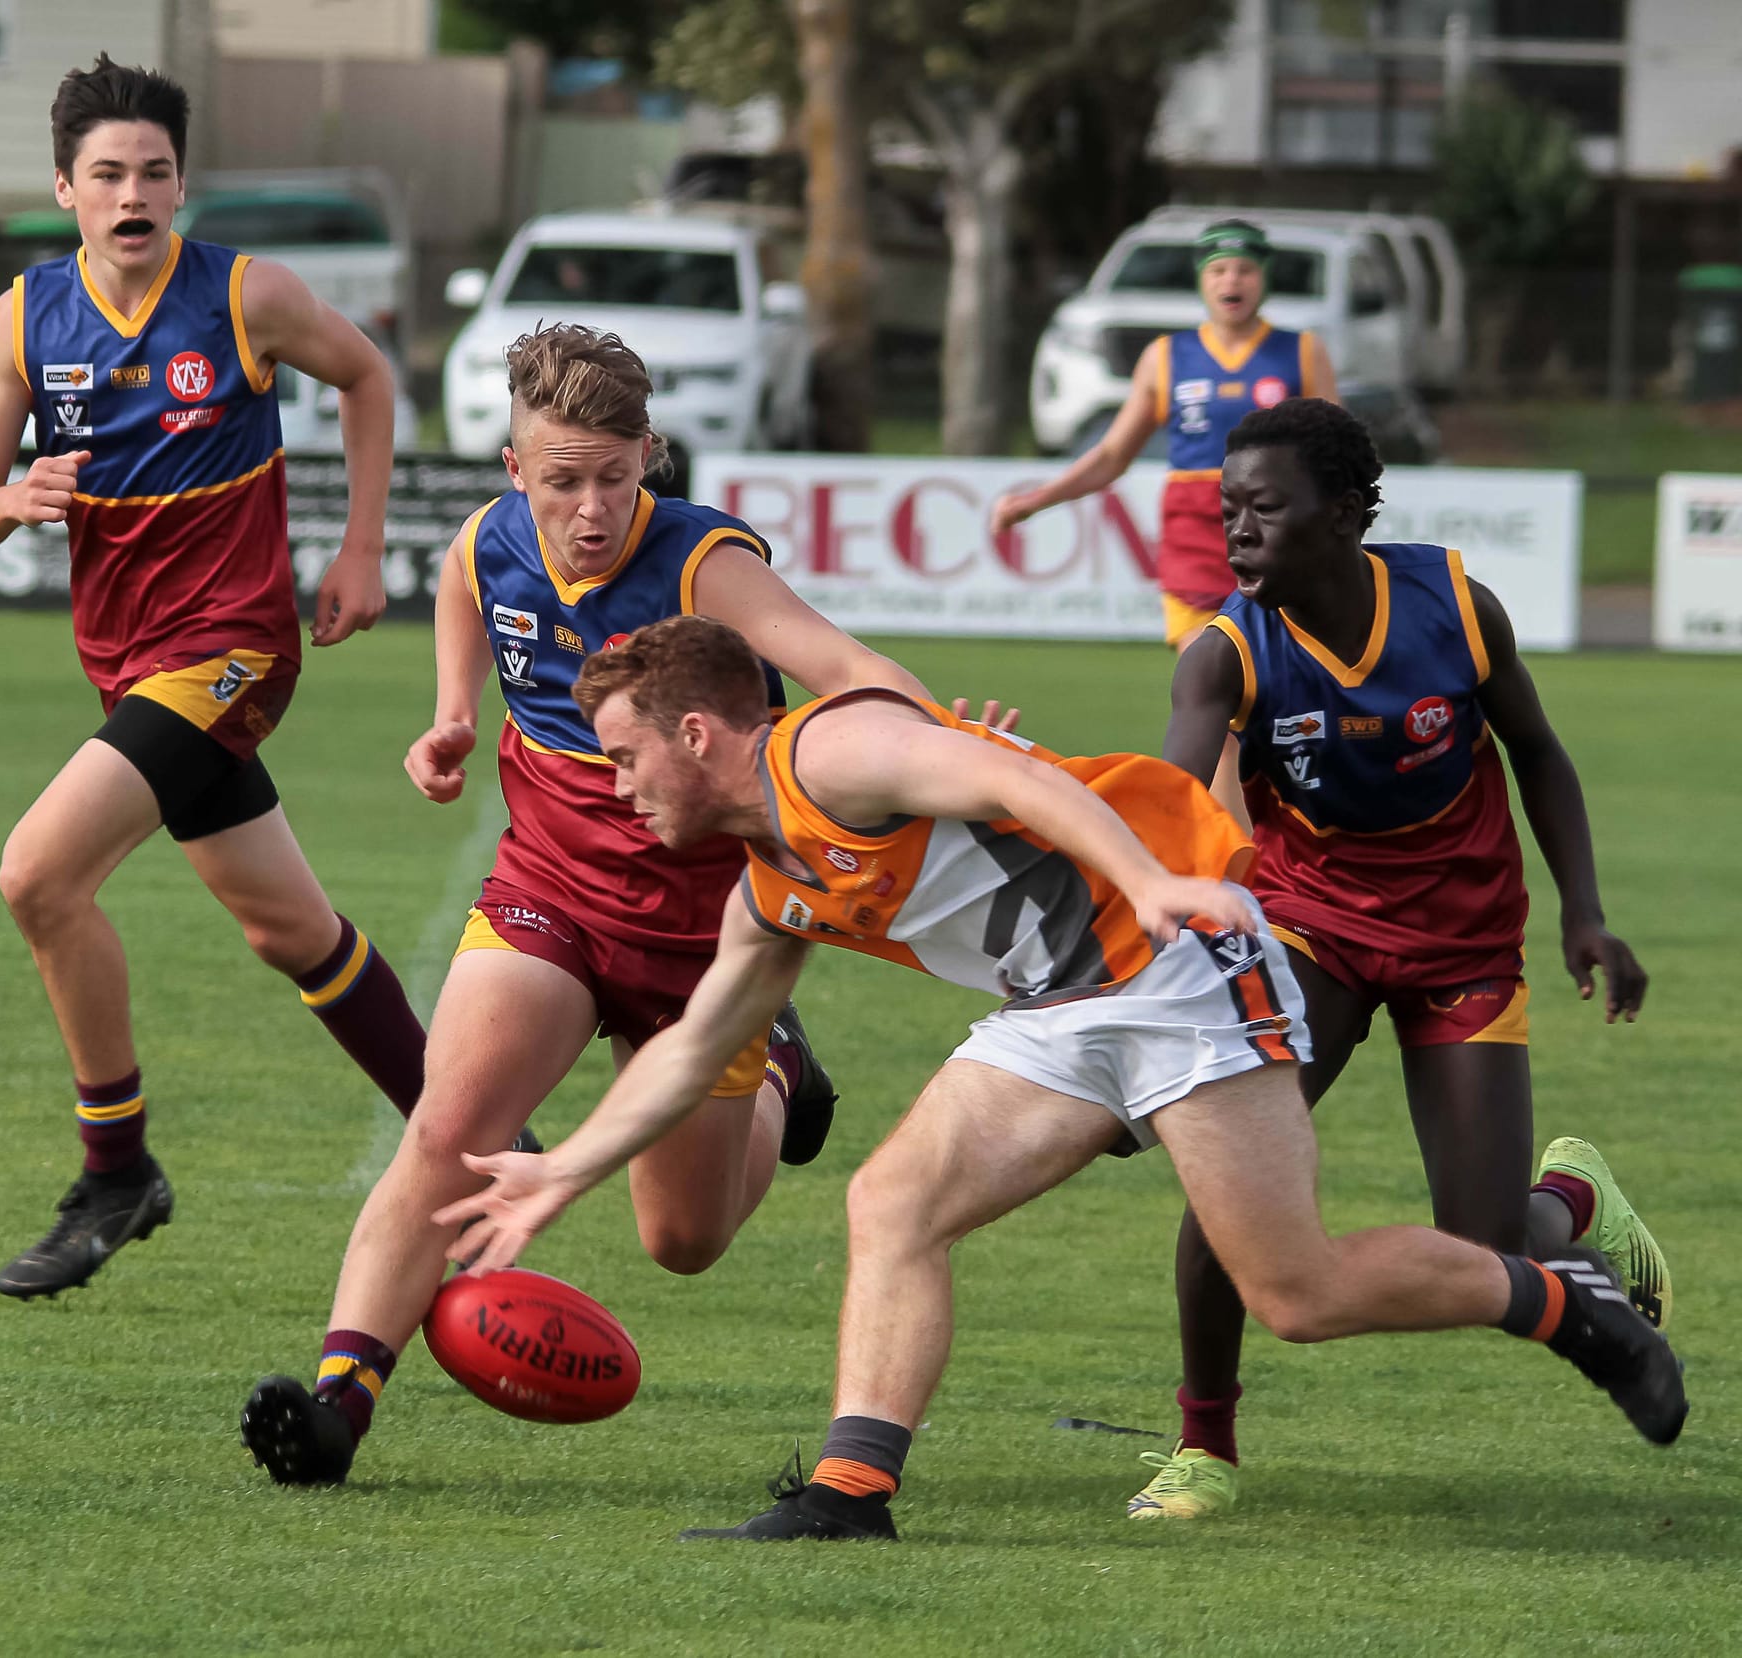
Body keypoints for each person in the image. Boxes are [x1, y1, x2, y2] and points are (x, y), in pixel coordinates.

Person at [433, 614, 1686, 1543]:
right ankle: (849, 1491)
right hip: (1060, 1009)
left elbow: (1016, 778)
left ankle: (1558, 1304)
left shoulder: (833, 748)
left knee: (1295, 1291)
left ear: (696, 731)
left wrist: (1146, 880)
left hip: (1177, 965)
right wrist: (561, 1168)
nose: (615, 781)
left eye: (621, 753)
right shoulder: (768, 889)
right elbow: (697, 1050)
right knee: (890, 1202)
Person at [238, 324, 945, 1487]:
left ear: (648, 459)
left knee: (681, 1240)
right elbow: (469, 591)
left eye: (615, 476)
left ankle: (775, 1068)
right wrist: (449, 714)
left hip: (707, 928)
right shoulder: (485, 538)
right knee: (447, 1130)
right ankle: (336, 1404)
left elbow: (840, 662)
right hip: (550, 889)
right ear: (513, 468)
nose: (589, 506)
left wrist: (946, 750)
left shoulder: (701, 562)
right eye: (560, 479)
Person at [1123, 396, 1671, 1518]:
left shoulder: (1453, 606)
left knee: (1477, 1250)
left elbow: (1537, 752)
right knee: (1230, 1179)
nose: (1236, 535)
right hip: (1309, 932)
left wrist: (1583, 913)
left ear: (1344, 514)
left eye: (1263, 511)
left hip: (1463, 937)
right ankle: (1203, 1445)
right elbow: (1167, 806)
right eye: (1226, 511)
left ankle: (1566, 1200)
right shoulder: (1224, 652)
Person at [0, 56, 429, 1299]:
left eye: (154, 170)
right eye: (107, 173)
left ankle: (118, 1171)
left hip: (233, 650)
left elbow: (368, 376)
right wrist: (11, 495)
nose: (133, 192)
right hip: (128, 664)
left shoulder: (247, 296)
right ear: (66, 188)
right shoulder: (21, 319)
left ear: (182, 185)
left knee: (37, 875)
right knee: (289, 928)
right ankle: (465, 1123)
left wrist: (359, 547)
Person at [992, 218, 1338, 819]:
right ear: (1202, 281)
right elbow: (1110, 456)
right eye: (1220, 270)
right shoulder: (1166, 357)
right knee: (1217, 711)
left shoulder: (1300, 352)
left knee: (1289, 715)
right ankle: (1238, 869)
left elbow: (1337, 451)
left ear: (1264, 280)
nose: (1233, 280)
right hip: (1196, 545)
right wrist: (1036, 499)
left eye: (1246, 269)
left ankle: (1293, 850)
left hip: (1282, 550)